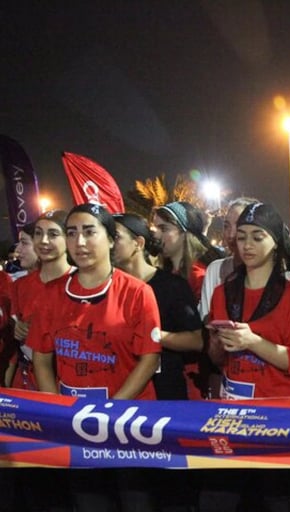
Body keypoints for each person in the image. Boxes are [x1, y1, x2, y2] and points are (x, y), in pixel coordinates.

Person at [27, 204, 162, 512]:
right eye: (72, 233)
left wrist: (112, 412)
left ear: (111, 239)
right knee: (88, 501)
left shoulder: (137, 292)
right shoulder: (51, 294)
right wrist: (57, 410)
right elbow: (42, 356)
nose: (80, 242)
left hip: (129, 425)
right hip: (76, 427)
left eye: (89, 232)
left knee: (136, 501)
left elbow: (149, 358)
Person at [202, 202, 290, 512]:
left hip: (278, 423)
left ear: (275, 241)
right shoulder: (223, 293)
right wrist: (218, 344)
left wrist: (252, 341)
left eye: (257, 236)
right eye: (242, 237)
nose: (247, 245)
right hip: (233, 420)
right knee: (217, 500)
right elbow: (218, 360)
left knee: (279, 501)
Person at [113, 213, 203, 400]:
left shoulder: (173, 286)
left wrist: (151, 336)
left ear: (138, 243)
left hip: (165, 391)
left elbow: (197, 340)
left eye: (116, 237)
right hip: (118, 385)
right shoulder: (107, 286)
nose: (109, 244)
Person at [153, 200, 222, 399]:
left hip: (195, 378)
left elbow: (202, 333)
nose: (156, 235)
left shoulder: (200, 276)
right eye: (155, 228)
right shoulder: (166, 273)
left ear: (185, 232)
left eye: (164, 228)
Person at [9, 211, 73, 391]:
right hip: (28, 382)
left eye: (53, 234)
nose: (44, 240)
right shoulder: (20, 285)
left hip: (71, 383)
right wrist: (17, 329)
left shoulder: (82, 283)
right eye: (38, 233)